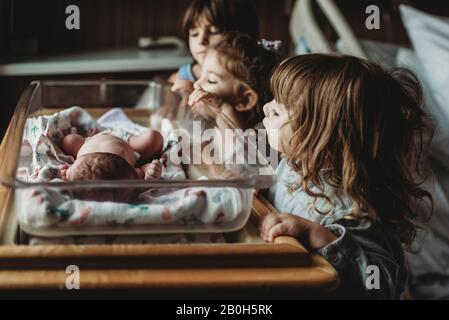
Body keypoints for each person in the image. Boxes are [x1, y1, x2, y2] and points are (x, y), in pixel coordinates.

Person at [260, 54, 433, 299]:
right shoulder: (295, 164)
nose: (266, 107)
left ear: (321, 135)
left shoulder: (353, 208)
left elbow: (378, 287)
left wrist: (318, 237)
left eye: (278, 111)